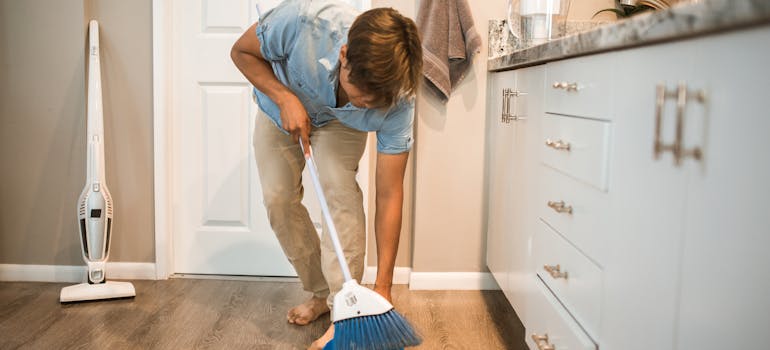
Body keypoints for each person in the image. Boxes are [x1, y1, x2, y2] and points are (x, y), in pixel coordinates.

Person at [230, 0, 422, 348]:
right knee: (278, 198)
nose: (367, 106)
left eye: (375, 104)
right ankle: (320, 293)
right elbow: (241, 52)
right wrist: (285, 97)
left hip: (340, 125)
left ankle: (344, 313)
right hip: (280, 106)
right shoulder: (302, 22)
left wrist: (382, 290)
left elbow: (390, 193)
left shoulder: (398, 100)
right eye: (362, 97)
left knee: (340, 193)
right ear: (344, 56)